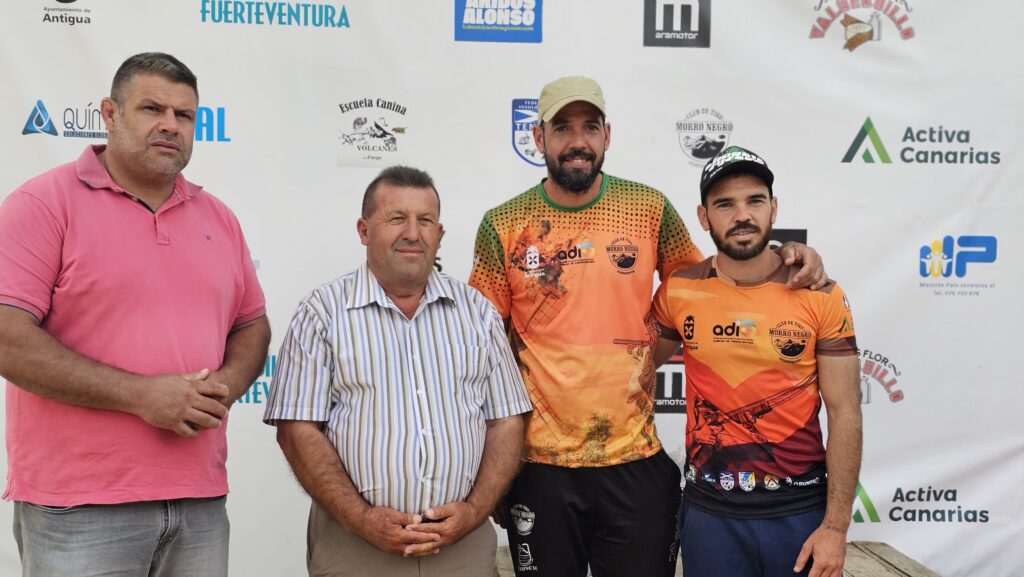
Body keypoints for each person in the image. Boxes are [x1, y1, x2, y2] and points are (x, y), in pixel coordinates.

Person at [468, 76, 828, 577]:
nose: (577, 141)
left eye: (590, 127)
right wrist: (490, 473)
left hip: (635, 460)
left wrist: (787, 254)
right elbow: (480, 353)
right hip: (539, 467)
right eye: (562, 128)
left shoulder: (647, 208)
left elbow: (714, 285)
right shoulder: (503, 224)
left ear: (607, 135)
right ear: (538, 137)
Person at [0, 52, 271, 577]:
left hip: (199, 500)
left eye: (184, 115)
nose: (170, 125)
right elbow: (7, 337)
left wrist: (225, 386)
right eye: (152, 108)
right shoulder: (43, 204)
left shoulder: (219, 217)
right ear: (110, 113)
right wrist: (141, 396)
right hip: (79, 508)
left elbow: (251, 324)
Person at [264, 166, 533, 577]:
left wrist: (475, 510)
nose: (412, 233)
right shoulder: (321, 314)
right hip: (354, 549)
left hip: (462, 551)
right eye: (396, 218)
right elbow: (297, 430)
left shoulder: (477, 312)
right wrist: (361, 519)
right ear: (364, 230)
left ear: (439, 234)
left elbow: (507, 421)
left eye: (425, 220)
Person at [651, 146, 862, 577]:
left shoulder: (821, 294)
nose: (742, 215)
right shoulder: (679, 290)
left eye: (754, 200)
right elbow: (628, 370)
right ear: (703, 216)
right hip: (710, 515)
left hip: (800, 514)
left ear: (773, 208)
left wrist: (836, 527)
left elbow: (845, 412)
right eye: (725, 204)